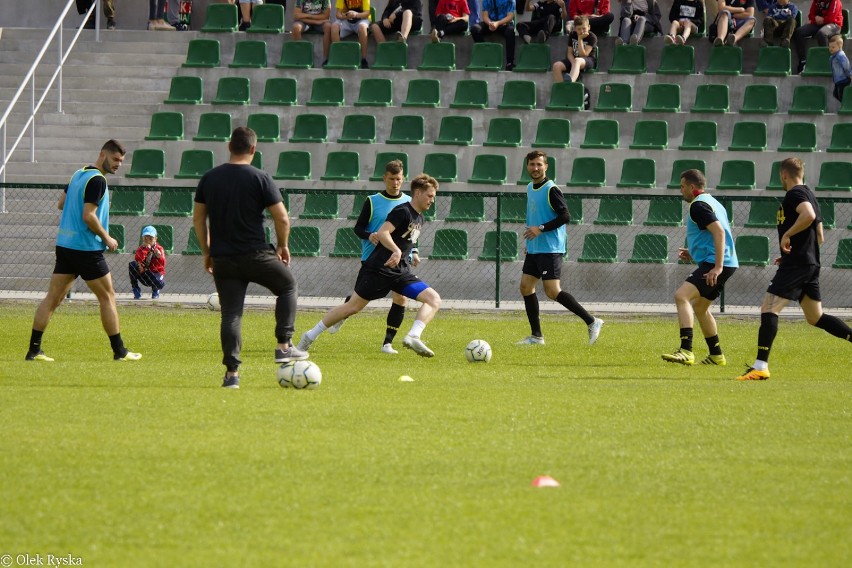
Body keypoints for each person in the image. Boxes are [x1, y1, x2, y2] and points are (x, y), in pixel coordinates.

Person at [192, 127, 307, 389]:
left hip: (223, 258)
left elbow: (198, 219)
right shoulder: (261, 178)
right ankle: (283, 346)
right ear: (253, 149)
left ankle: (232, 375)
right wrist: (282, 246)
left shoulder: (209, 178)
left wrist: (207, 252)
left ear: (229, 146)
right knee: (288, 286)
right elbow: (282, 217)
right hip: (256, 255)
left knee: (231, 315)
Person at [298, 175, 442, 358]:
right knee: (352, 307)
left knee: (433, 299)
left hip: (401, 272)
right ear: (418, 193)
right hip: (379, 269)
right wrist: (396, 251)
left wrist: (412, 252)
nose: (432, 200)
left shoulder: (420, 218)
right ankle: (310, 336)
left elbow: (407, 240)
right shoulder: (402, 211)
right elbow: (383, 233)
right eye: (430, 195)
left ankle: (413, 336)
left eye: (433, 196)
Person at [25, 140, 141, 363]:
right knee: (107, 297)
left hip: (65, 245)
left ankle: (34, 350)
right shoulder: (97, 180)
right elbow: (88, 216)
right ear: (102, 154)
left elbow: (61, 204)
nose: (118, 164)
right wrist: (107, 237)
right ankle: (120, 351)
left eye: (121, 161)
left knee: (53, 298)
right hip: (86, 249)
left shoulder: (79, 173)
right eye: (115, 159)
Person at [737, 157, 852, 381]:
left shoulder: (795, 194)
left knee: (769, 308)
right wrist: (797, 248)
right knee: (815, 317)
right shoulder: (811, 195)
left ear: (783, 175)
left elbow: (807, 216)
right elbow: (820, 236)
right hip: (808, 263)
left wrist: (789, 235)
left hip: (798, 264)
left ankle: (760, 366)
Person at [322, 161, 421, 354]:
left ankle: (387, 344)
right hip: (373, 259)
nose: (395, 183)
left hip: (400, 259)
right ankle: (344, 312)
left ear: (403, 179)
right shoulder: (372, 201)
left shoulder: (409, 202)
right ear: (384, 178)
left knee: (401, 298)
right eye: (391, 179)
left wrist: (414, 251)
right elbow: (358, 228)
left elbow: (412, 232)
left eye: (399, 179)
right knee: (359, 300)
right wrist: (369, 235)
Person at [516, 150, 604, 347]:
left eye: (539, 164)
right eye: (532, 164)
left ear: (546, 167)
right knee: (525, 287)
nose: (535, 168)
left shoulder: (551, 189)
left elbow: (565, 216)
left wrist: (540, 229)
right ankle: (536, 337)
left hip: (551, 248)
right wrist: (530, 243)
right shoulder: (530, 187)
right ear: (527, 166)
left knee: (552, 291)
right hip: (535, 248)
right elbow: (535, 217)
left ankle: (592, 321)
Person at [661, 169, 738, 366]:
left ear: (692, 187)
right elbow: (713, 234)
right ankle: (716, 355)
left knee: (681, 296)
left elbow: (719, 232)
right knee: (700, 307)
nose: (681, 191)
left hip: (717, 263)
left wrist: (717, 267)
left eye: (682, 186)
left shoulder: (698, 205)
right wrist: (694, 252)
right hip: (725, 262)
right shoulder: (713, 202)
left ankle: (686, 350)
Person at [793, 0, 843, 74]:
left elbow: (831, 18)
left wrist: (820, 20)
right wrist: (815, 18)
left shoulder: (835, 1)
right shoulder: (816, 1)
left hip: (834, 25)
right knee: (799, 32)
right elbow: (811, 15)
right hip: (818, 24)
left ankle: (826, 62)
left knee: (821, 34)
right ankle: (803, 62)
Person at [470, 0, 517, 71]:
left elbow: (510, 16)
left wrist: (497, 23)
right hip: (490, 23)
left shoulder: (510, 1)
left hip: (504, 23)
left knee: (510, 31)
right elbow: (485, 16)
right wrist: (490, 24)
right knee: (475, 29)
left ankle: (510, 63)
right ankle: (486, 55)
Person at [327, 0, 372, 69]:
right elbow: (338, 14)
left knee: (362, 27)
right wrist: (345, 16)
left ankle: (364, 59)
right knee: (334, 26)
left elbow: (367, 13)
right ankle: (337, 58)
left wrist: (355, 14)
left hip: (361, 19)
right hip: (347, 20)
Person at [552, 15, 597, 83]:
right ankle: (562, 88)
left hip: (588, 60)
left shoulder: (592, 37)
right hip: (574, 60)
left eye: (584, 28)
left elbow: (583, 55)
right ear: (575, 29)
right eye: (579, 29)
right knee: (556, 66)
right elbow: (569, 53)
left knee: (577, 60)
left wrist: (580, 39)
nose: (582, 31)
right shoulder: (572, 34)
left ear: (589, 27)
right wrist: (573, 63)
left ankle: (570, 82)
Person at [129, 225, 167, 300]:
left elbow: (163, 264)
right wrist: (145, 250)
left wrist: (159, 256)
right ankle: (136, 288)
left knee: (159, 283)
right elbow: (138, 259)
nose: (148, 240)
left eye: (150, 238)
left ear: (155, 239)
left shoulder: (159, 249)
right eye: (145, 238)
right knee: (132, 264)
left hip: (155, 274)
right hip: (144, 272)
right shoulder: (141, 248)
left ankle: (155, 290)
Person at [829, 34, 852, 102]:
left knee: (841, 95)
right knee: (835, 94)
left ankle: (846, 106)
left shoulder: (840, 55)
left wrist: (850, 74)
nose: (831, 49)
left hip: (843, 79)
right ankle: (846, 104)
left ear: (839, 47)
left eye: (833, 47)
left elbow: (846, 65)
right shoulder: (833, 56)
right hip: (838, 80)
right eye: (829, 47)